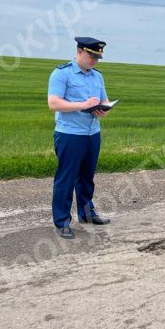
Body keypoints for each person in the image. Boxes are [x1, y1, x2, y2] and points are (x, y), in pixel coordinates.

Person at [47, 37, 112, 239]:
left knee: (86, 177)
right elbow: (54, 103)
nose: (94, 61)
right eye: (91, 56)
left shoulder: (97, 76)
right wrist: (83, 105)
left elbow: (104, 100)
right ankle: (62, 221)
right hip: (69, 134)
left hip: (92, 133)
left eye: (97, 57)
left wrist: (103, 109)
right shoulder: (61, 73)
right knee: (66, 178)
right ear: (79, 52)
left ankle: (87, 213)